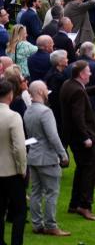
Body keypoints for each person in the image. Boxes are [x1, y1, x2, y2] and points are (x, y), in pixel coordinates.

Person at [23, 80, 70, 237]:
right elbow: (53, 137)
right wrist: (63, 154)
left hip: (33, 156)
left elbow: (32, 137)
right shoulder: (45, 112)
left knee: (36, 192)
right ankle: (50, 225)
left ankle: (37, 224)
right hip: (47, 158)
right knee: (51, 192)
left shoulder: (28, 111)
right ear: (42, 92)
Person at [60, 60, 95, 220]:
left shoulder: (69, 84)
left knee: (82, 169)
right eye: (88, 71)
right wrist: (86, 137)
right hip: (82, 138)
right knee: (88, 171)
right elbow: (78, 117)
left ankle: (74, 204)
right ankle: (85, 206)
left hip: (73, 136)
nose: (90, 74)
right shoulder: (77, 90)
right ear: (81, 74)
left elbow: (82, 91)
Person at [0, 77, 26, 244]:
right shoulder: (13, 116)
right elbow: (19, 148)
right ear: (10, 95)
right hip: (11, 171)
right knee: (19, 211)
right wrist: (22, 169)